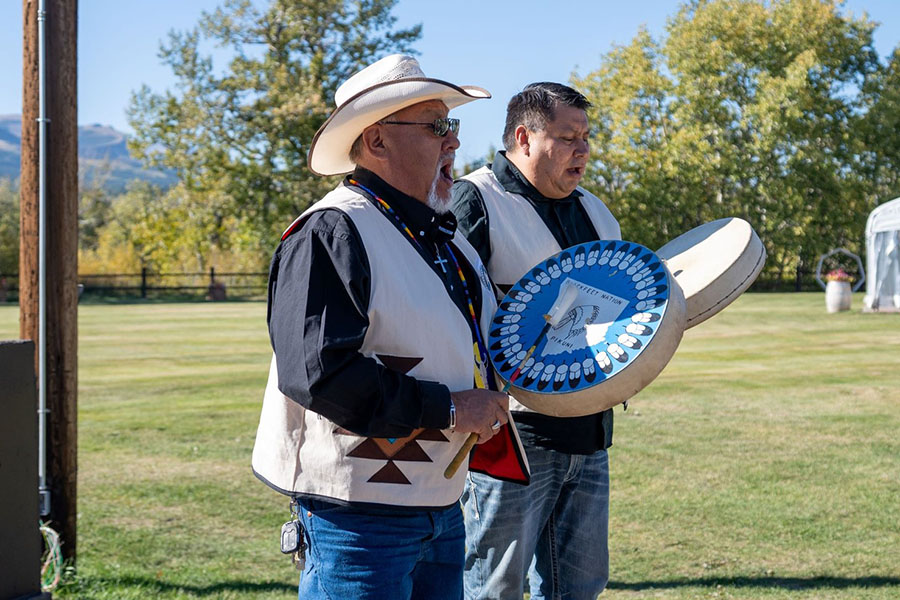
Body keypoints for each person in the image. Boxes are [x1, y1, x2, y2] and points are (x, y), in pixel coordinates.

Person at [251, 54, 511, 600]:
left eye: (453, 125)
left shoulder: (447, 239)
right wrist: (452, 408)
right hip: (357, 521)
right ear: (376, 141)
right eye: (437, 126)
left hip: (440, 507)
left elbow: (478, 340)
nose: (454, 142)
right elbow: (319, 375)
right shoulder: (332, 231)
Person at [451, 82, 621, 600]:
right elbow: (452, 316)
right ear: (524, 138)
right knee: (493, 590)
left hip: (589, 435)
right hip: (511, 439)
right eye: (569, 137)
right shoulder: (474, 200)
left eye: (587, 137)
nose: (584, 150)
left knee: (580, 589)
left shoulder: (594, 209)